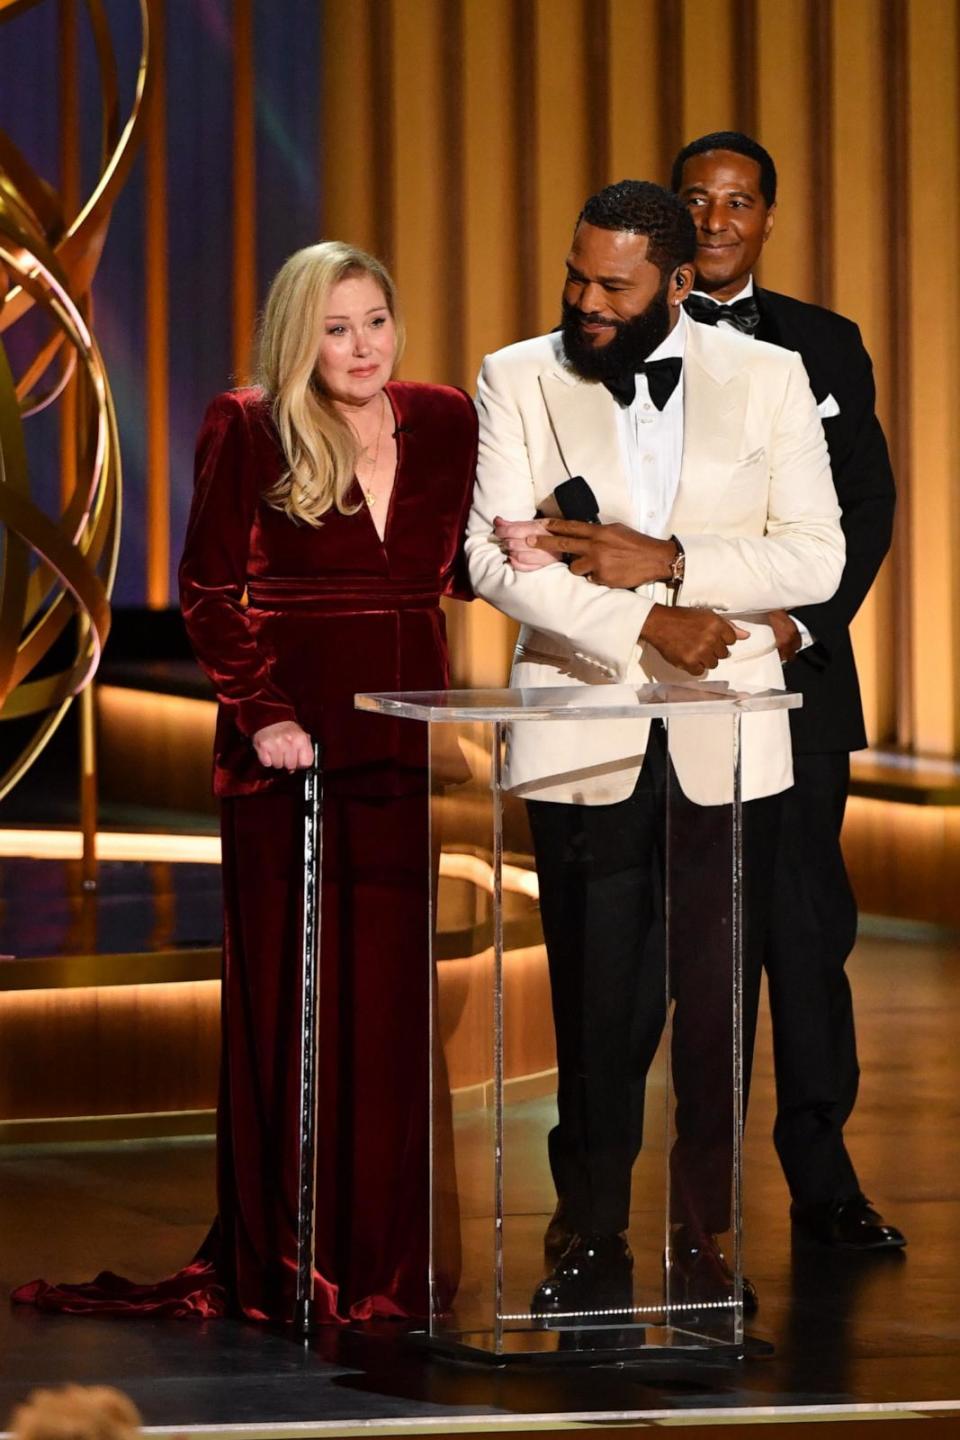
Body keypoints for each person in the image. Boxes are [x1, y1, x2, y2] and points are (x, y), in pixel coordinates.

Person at [13, 242, 478, 1324]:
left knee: (389, 1009)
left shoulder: (446, 418)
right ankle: (290, 1260)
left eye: (376, 322)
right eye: (336, 328)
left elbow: (445, 568)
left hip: (404, 742)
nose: (362, 348)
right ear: (296, 335)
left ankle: (385, 1265)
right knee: (293, 1006)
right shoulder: (249, 422)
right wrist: (264, 715)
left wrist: (531, 552)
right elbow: (209, 593)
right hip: (289, 755)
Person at [467, 180, 844, 1317]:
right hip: (586, 727)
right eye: (577, 275)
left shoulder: (770, 377)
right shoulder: (516, 375)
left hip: (730, 737)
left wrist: (671, 561)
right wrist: (650, 620)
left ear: (678, 283)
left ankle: (706, 1236)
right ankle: (584, 1230)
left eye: (612, 284)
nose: (585, 299)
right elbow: (499, 564)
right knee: (596, 1006)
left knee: (719, 1008)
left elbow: (816, 558)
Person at [670, 131, 903, 1251]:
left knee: (807, 936)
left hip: (801, 682)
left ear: (768, 218)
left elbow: (867, 507)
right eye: (697, 201)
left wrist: (801, 621)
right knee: (671, 943)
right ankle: (668, 1205)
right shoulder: (614, 341)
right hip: (661, 681)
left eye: (739, 203)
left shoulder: (825, 344)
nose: (717, 221)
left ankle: (823, 1180)